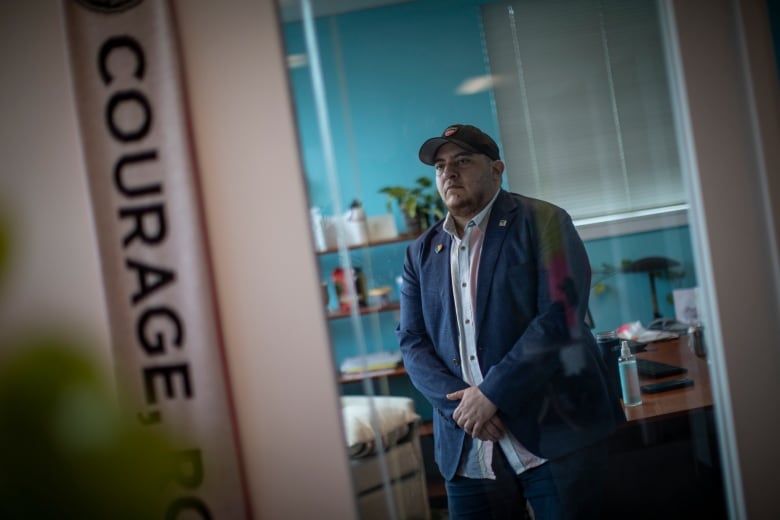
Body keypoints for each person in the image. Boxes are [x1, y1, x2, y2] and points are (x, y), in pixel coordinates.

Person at [396, 124, 625, 519]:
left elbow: (561, 316)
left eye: (463, 161)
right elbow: (412, 342)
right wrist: (463, 409)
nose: (449, 173)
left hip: (553, 437)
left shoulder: (546, 222)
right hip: (469, 450)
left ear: (497, 170)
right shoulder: (421, 252)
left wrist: (492, 395)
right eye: (441, 166)